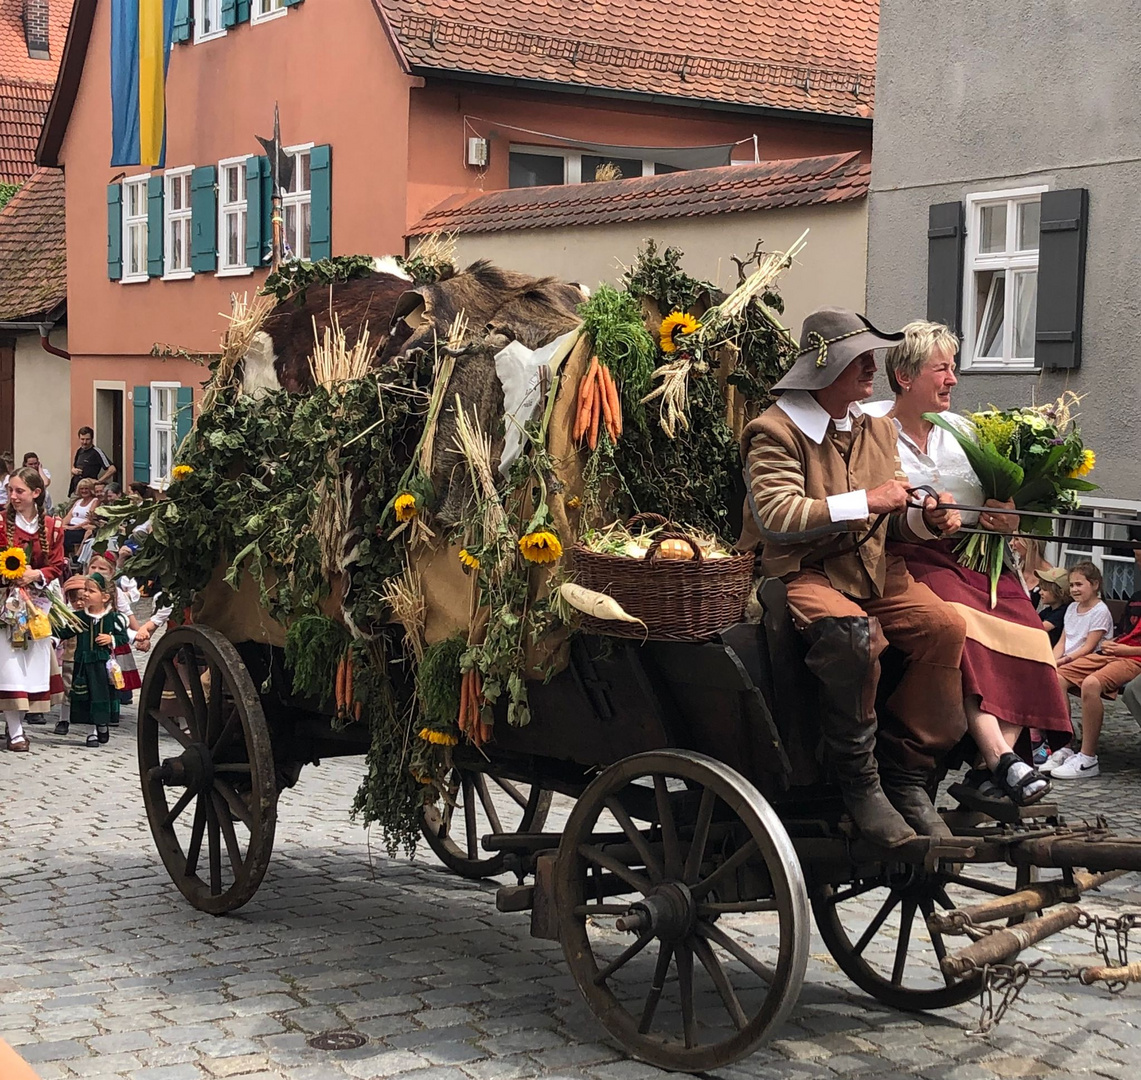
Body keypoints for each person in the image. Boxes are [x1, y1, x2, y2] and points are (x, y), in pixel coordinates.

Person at [739, 307, 966, 847]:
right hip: (804, 573)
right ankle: (859, 784)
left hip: (875, 571)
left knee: (945, 627)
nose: (871, 368)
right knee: (854, 635)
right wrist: (865, 500)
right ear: (823, 368)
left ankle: (908, 773)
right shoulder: (773, 430)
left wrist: (926, 519)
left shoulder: (876, 429)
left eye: (870, 357)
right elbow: (777, 515)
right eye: (858, 359)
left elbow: (896, 518)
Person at [871, 320, 1069, 805]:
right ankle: (1000, 757)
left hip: (975, 557)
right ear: (905, 378)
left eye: (953, 368)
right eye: (941, 369)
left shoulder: (963, 429)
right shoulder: (871, 427)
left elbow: (993, 505)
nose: (953, 379)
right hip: (913, 557)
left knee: (1032, 637)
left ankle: (989, 769)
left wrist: (1004, 518)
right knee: (965, 628)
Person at [0, 467, 67, 751]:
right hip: (5, 604)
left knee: (31, 667)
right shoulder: (1, 524)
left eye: (19, 491)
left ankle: (15, 720)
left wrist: (35, 575)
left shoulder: (52, 527)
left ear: (36, 493)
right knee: (9, 666)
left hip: (37, 604)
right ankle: (16, 732)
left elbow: (58, 564)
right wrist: (12, 576)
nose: (13, 496)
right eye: (10, 491)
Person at [1042, 562, 1118, 778]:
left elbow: (1088, 647)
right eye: (1072, 585)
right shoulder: (1072, 608)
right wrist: (1052, 659)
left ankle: (1065, 742)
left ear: (1094, 585)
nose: (1074, 589)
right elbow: (1064, 640)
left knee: (1056, 679)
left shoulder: (1100, 610)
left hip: (1094, 659)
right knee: (1047, 674)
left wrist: (1063, 661)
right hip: (1071, 660)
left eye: (1079, 584)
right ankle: (1056, 743)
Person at [55, 573, 129, 747]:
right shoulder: (79, 617)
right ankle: (91, 734)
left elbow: (123, 637)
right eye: (85, 590)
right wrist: (50, 635)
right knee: (86, 698)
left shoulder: (113, 618)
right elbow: (64, 632)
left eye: (91, 591)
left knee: (101, 696)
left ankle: (102, 724)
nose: (86, 594)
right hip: (82, 664)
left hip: (102, 665)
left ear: (105, 597)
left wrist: (111, 639)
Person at [68, 426, 115, 497]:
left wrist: (99, 481)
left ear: (92, 439)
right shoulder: (79, 451)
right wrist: (73, 470)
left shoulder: (96, 452)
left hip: (89, 491)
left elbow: (112, 469)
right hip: (76, 489)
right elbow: (74, 467)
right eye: (82, 439)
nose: (84, 442)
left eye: (87, 439)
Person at [62, 478, 101, 554]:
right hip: (71, 527)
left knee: (67, 536)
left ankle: (74, 559)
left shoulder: (95, 501)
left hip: (82, 529)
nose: (84, 491)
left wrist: (73, 527)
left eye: (86, 488)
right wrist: (63, 526)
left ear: (91, 490)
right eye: (81, 489)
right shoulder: (78, 501)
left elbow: (90, 519)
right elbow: (68, 516)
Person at [1037, 567, 1072, 647]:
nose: (1040, 592)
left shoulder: (1063, 611)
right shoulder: (1048, 611)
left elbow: (1041, 628)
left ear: (1060, 592)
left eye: (1045, 589)